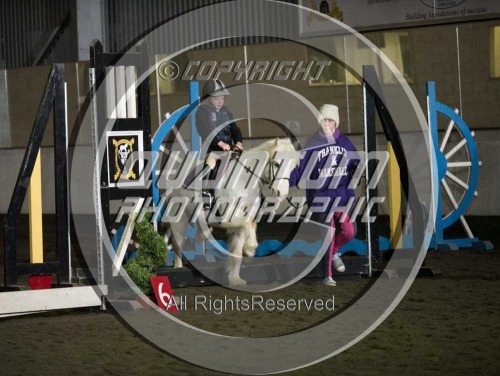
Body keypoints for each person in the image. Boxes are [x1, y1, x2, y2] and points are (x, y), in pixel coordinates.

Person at [290, 104, 358, 286]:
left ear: (336, 122)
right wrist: (285, 183)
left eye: (330, 120)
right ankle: (327, 276)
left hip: (342, 196)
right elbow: (300, 169)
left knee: (350, 232)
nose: (326, 124)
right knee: (328, 234)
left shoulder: (345, 143)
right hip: (322, 198)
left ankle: (335, 251)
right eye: (323, 120)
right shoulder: (313, 145)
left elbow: (356, 163)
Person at [196, 79, 243, 208]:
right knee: (210, 165)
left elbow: (235, 129)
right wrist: (220, 143)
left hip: (229, 150)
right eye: (216, 99)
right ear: (208, 98)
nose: (220, 101)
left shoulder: (227, 113)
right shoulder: (202, 112)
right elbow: (205, 130)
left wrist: (238, 141)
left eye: (222, 98)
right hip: (213, 151)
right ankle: (207, 193)